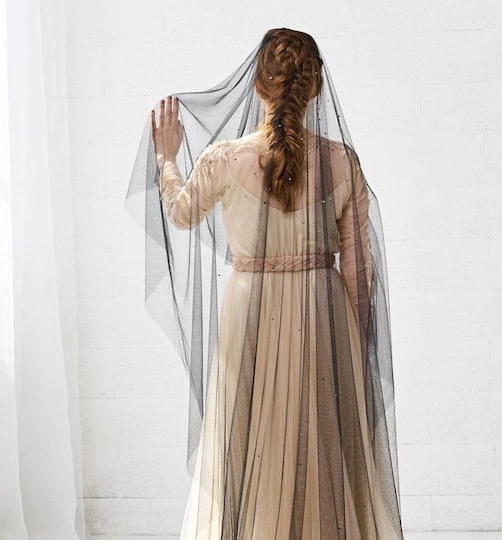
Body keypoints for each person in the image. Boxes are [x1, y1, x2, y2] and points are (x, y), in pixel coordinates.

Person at [130, 28, 404, 539]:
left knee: (251, 438)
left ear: (258, 85)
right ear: (314, 88)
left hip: (250, 311)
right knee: (321, 447)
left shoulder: (224, 159)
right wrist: (355, 342)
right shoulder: (342, 161)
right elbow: (358, 271)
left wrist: (168, 159)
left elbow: (182, 214)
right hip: (323, 314)